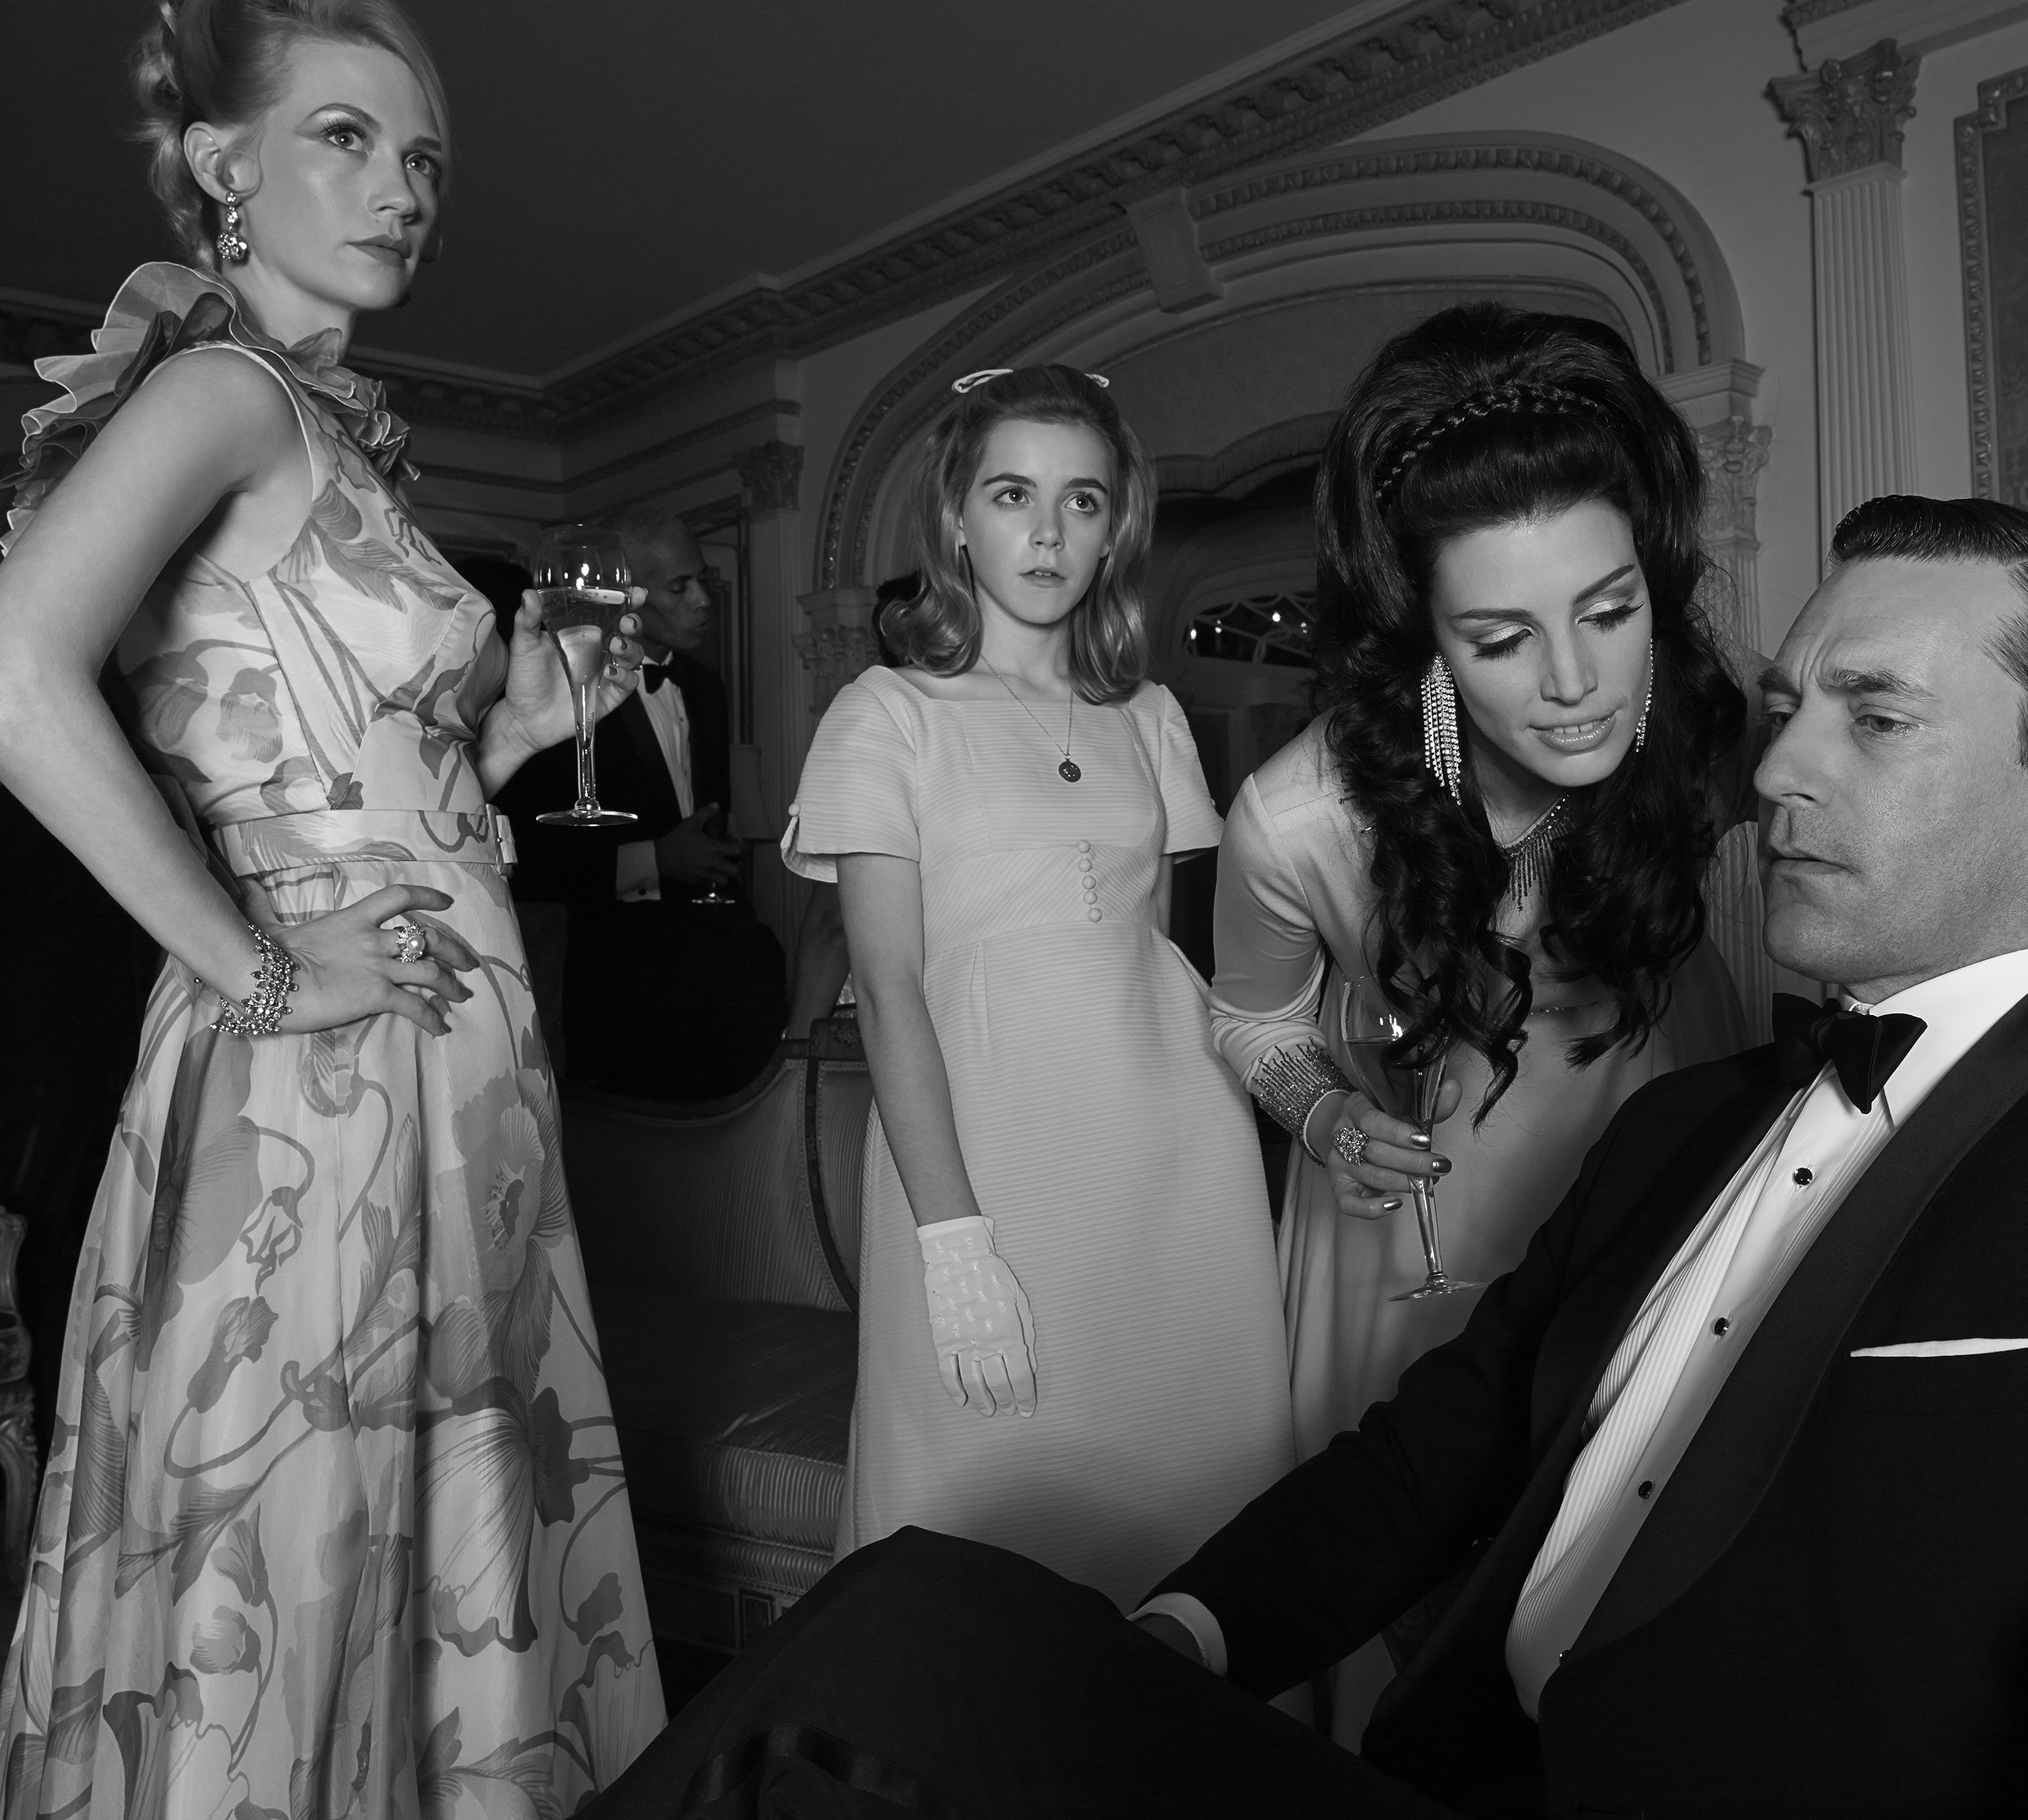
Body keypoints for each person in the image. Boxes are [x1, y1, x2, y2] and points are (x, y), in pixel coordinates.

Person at [587, 496, 2028, 1819]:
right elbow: (1427, 1460)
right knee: (910, 1614)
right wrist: (1184, 1629)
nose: (1777, 772)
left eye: (1872, 719)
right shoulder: (1677, 1121)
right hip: (1448, 1765)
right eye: (1788, 709)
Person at [1212, 299, 2028, 1744]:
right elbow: (1248, 1017)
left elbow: (2014, 824)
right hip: (1417, 1208)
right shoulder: (1299, 816)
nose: (1576, 683)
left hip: (1664, 1138)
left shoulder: (1712, 731)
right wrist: (1323, 1112)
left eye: (1611, 612)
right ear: (1430, 638)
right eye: (1500, 638)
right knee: (1425, 1543)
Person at [0, 3, 664, 1809]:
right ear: (225, 163)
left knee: (417, 1555)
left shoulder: (330, 432)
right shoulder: (220, 393)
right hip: (321, 1076)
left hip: (439, 1066)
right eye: (347, 138)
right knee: (298, 1560)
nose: (403, 186)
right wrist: (259, 969)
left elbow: (359, 770)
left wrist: (513, 734)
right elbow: (16, 672)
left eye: (422, 155)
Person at [777, 364, 1294, 1608]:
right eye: (1013, 495)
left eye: (1082, 500)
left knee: (1193, 1496)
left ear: (1116, 529)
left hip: (1178, 1162)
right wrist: (953, 1240)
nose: (1049, 532)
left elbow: (1164, 956)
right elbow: (888, 990)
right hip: (982, 1161)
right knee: (976, 1511)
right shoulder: (885, 712)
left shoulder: (1151, 715)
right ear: (957, 518)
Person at [495, 509, 789, 1099]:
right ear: (628, 595)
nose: (703, 601)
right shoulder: (564, 691)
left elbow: (702, 816)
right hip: (621, 985)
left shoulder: (705, 688)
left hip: (716, 972)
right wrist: (655, 861)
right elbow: (532, 854)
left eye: (702, 580)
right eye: (680, 587)